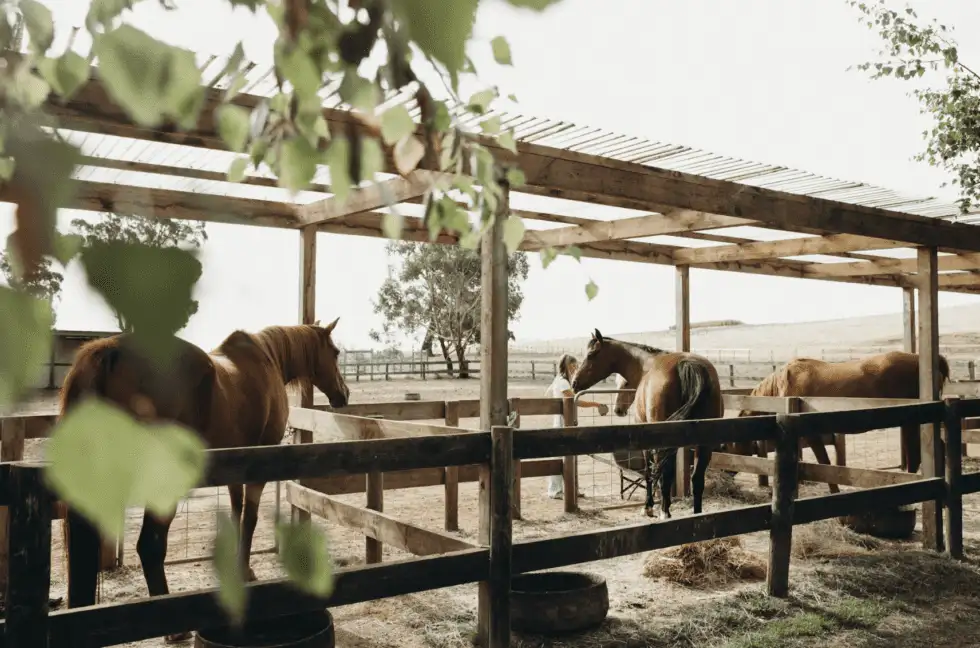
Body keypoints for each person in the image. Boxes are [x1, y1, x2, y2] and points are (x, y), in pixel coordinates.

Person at [545, 353, 609, 499]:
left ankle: (571, 489)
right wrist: (596, 404)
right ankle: (555, 490)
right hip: (563, 422)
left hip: (567, 420)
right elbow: (575, 401)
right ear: (567, 366)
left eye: (576, 365)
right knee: (562, 456)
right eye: (573, 366)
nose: (575, 368)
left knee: (571, 456)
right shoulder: (562, 382)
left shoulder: (563, 381)